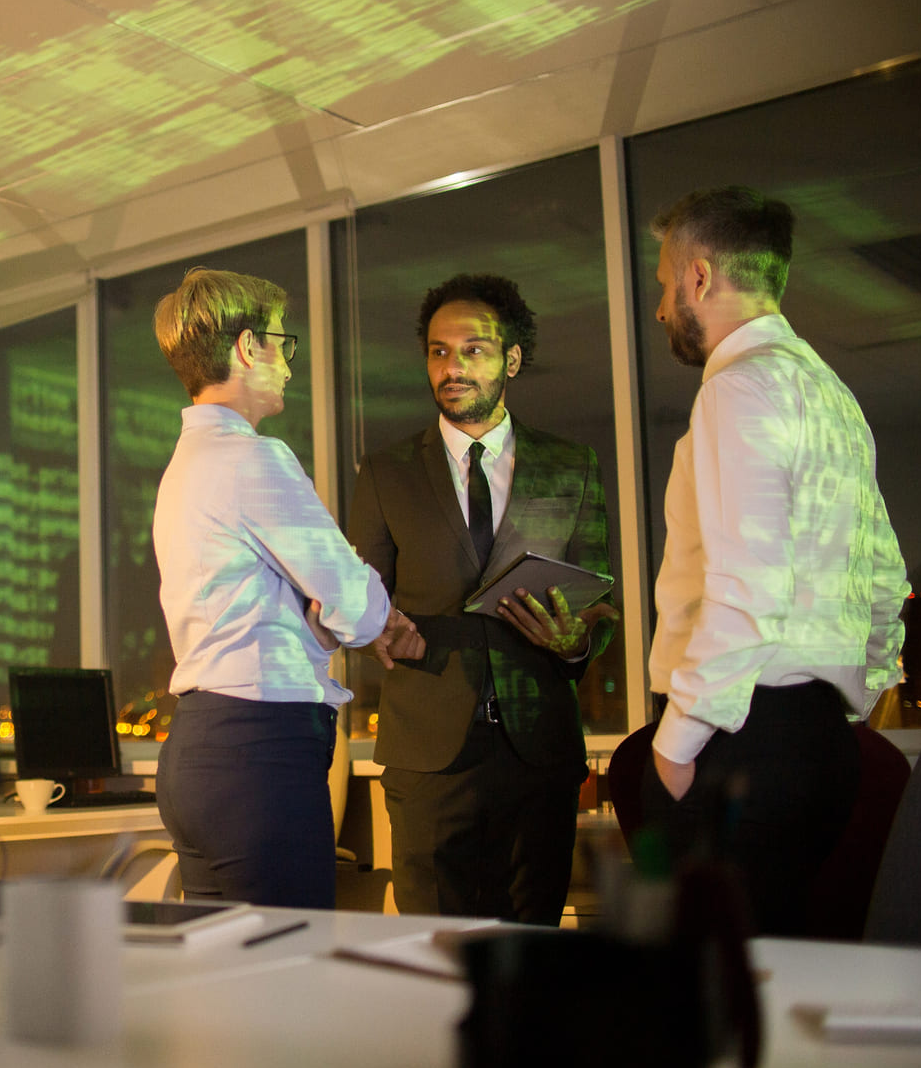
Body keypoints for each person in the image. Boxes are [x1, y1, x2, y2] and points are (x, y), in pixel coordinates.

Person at [645, 186, 909, 936]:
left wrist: (674, 745)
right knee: (784, 976)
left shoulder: (738, 388)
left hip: (742, 744)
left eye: (665, 284)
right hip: (820, 744)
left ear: (699, 277)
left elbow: (745, 589)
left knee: (714, 996)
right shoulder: (831, 393)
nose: (663, 307)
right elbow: (883, 573)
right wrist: (858, 692)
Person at [346, 273, 615, 925]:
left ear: (512, 360)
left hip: (538, 752)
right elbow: (359, 599)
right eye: (439, 351)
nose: (452, 366)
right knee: (435, 956)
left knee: (532, 953)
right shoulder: (386, 473)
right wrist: (376, 629)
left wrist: (575, 640)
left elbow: (600, 604)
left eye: (472, 349)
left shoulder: (570, 465)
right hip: (428, 756)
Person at [151, 267, 423, 908]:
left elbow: (269, 609)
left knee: (229, 990)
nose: (289, 364)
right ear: (248, 348)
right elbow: (353, 602)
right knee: (288, 981)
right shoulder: (254, 458)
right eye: (282, 343)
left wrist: (325, 615)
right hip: (259, 757)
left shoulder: (183, 468)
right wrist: (376, 615)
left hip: (198, 751)